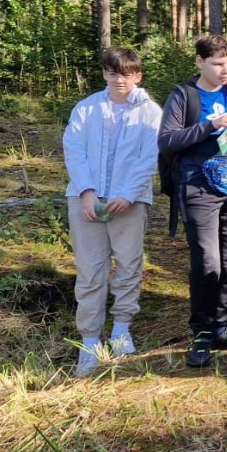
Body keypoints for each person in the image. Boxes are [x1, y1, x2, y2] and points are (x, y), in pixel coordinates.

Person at [157, 34, 227, 371]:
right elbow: (167, 141)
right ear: (200, 61)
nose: (225, 70)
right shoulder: (184, 96)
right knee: (208, 263)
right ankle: (201, 332)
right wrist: (209, 126)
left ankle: (221, 328)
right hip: (198, 188)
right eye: (217, 64)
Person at [62, 45, 161, 374]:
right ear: (105, 74)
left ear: (138, 76)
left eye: (127, 74)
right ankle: (90, 340)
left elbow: (150, 158)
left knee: (129, 265)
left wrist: (128, 194)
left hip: (130, 202)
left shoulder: (151, 112)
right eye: (114, 73)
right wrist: (87, 191)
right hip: (86, 200)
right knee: (90, 270)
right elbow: (73, 150)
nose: (120, 80)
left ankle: (121, 329)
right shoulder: (86, 108)